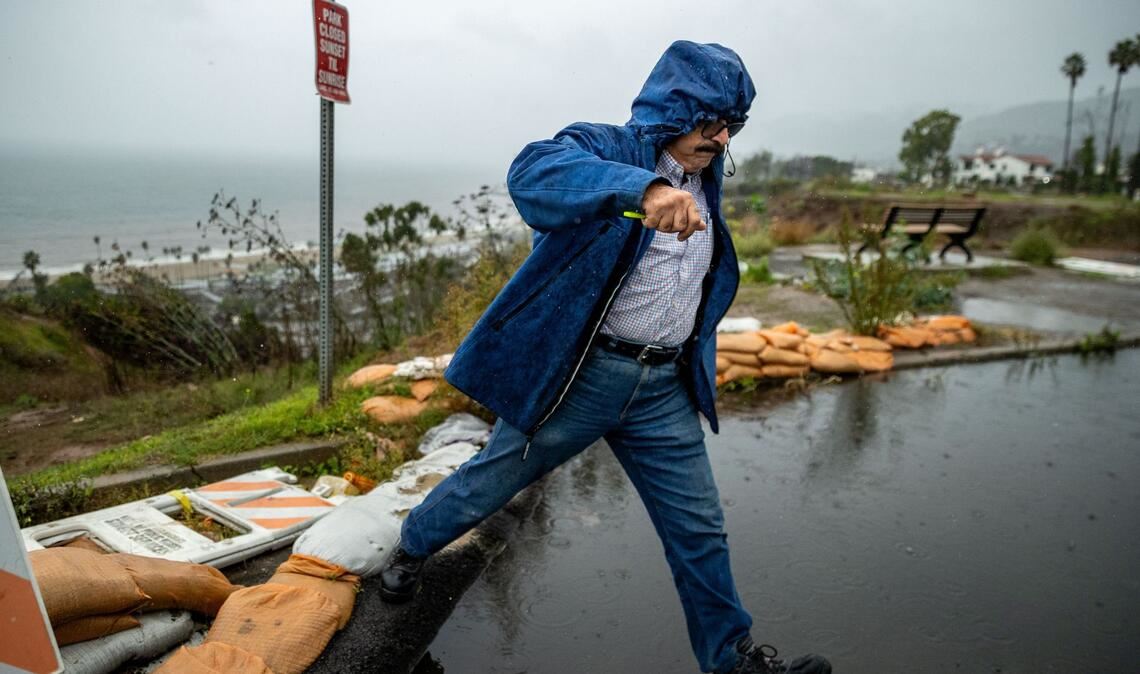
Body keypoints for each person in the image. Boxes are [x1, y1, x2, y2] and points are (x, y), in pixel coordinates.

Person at [380, 41, 832, 674]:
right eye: (711, 120)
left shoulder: (704, 177)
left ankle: (732, 661)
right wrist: (640, 188)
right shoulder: (606, 148)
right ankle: (410, 548)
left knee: (699, 529)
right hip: (583, 380)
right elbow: (532, 172)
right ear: (675, 109)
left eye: (733, 124)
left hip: (662, 389)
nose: (722, 137)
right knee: (491, 480)